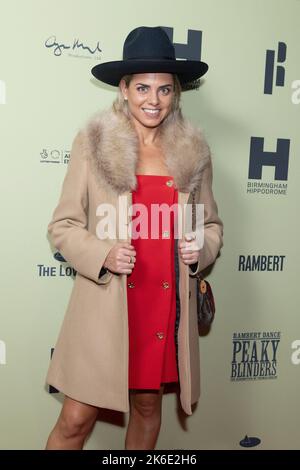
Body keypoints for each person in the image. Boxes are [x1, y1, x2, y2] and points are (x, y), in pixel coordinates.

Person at [45, 26, 223, 450]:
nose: (153, 100)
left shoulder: (192, 151)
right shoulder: (93, 144)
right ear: (123, 89)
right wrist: (104, 253)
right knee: (74, 420)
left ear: (175, 93)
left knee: (147, 410)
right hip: (110, 305)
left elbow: (211, 226)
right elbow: (63, 226)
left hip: (164, 307)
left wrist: (201, 247)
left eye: (164, 90)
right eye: (142, 87)